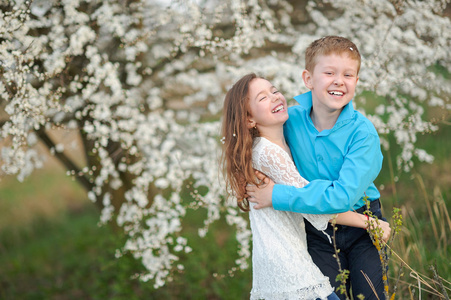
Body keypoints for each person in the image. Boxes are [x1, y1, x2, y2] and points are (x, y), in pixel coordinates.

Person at [220, 73, 391, 300]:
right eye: (262, 98)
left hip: (288, 254)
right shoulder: (269, 154)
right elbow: (313, 206)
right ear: (249, 120)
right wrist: (369, 222)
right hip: (288, 260)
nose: (275, 98)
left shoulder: (282, 139)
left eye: (274, 90)